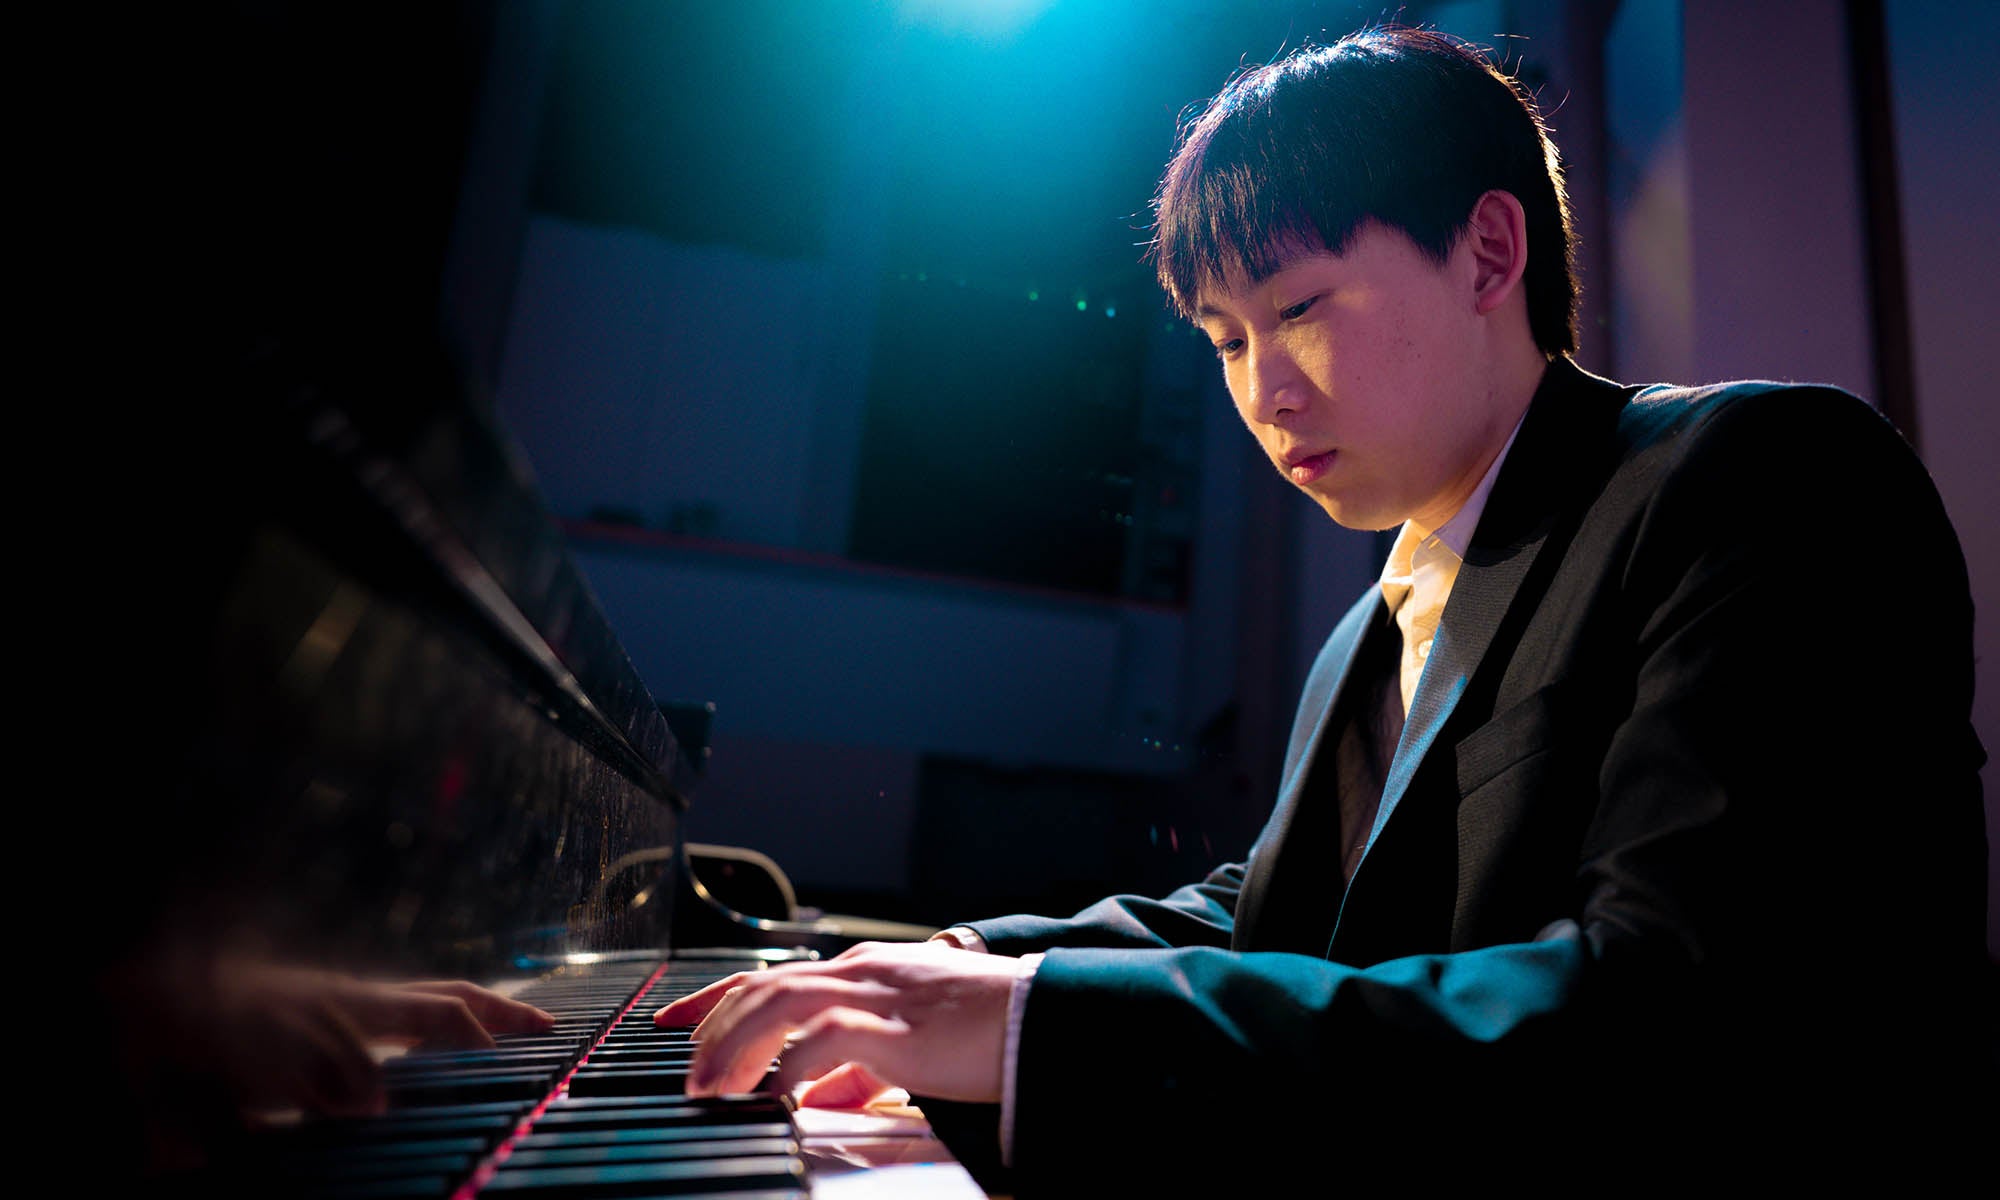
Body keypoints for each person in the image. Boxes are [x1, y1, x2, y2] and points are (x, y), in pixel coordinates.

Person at [656, 25, 1990, 1192]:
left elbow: (1673, 1017)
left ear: (1487, 251)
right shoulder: (1371, 628)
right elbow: (1277, 916)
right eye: (1227, 341)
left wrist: (1032, 1021)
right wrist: (946, 966)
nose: (1264, 393)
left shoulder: (1758, 478)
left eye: (1296, 309)